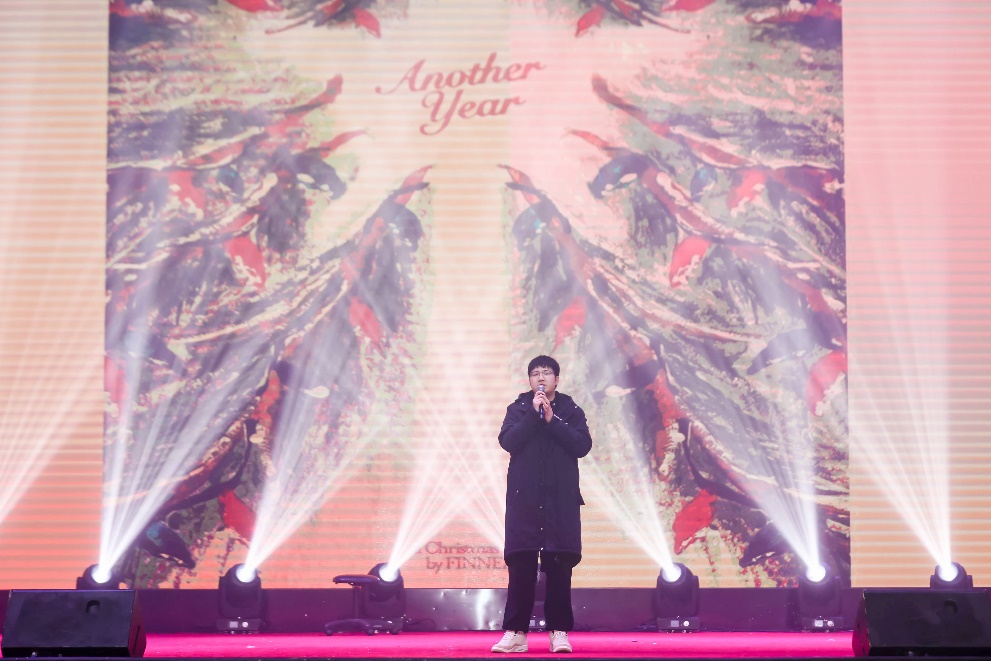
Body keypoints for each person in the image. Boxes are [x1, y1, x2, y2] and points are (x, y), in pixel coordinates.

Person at [491, 356, 592, 654]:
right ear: (530, 380)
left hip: (559, 502)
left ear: (556, 379)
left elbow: (582, 445)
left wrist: (551, 420)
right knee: (521, 566)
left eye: (546, 373)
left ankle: (558, 632)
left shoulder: (571, 410)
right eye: (535, 374)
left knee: (559, 567)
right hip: (525, 501)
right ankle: (516, 633)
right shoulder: (518, 409)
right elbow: (508, 441)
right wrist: (532, 417)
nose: (541, 378)